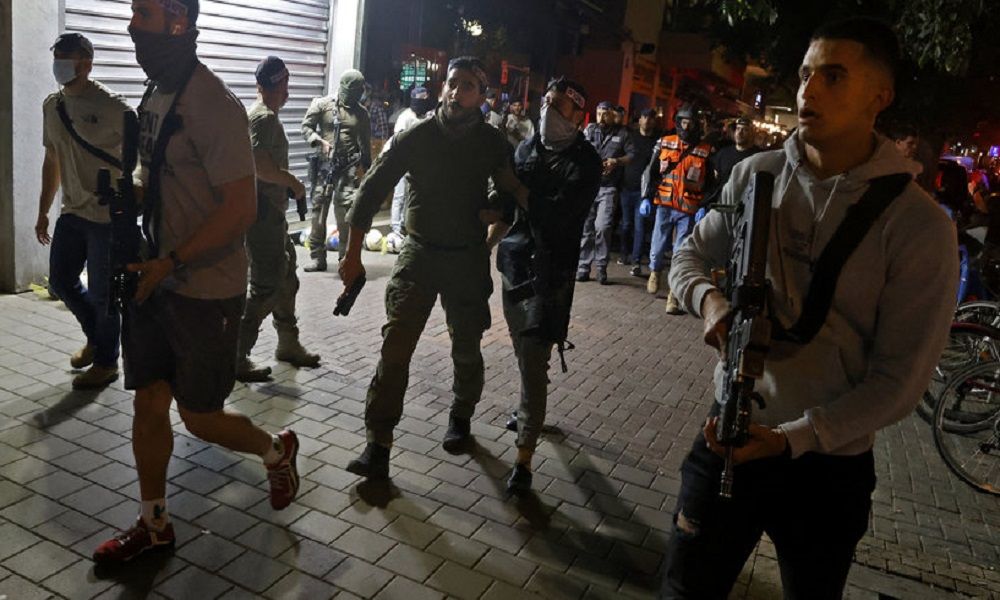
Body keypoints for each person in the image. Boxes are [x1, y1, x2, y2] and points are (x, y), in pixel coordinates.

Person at [662, 18, 958, 598]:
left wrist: (794, 438)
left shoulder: (918, 225)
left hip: (828, 465)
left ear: (880, 96)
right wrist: (710, 301)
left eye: (833, 76)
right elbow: (688, 255)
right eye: (804, 74)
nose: (808, 90)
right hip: (729, 431)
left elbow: (900, 381)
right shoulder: (756, 174)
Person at [93, 0, 299, 564]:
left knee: (200, 417)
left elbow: (241, 208)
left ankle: (275, 450)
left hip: (206, 288)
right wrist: (134, 197)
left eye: (144, 14)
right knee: (148, 401)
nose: (131, 25)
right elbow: (159, 171)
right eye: (133, 12)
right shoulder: (157, 92)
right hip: (154, 277)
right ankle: (154, 523)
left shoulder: (214, 105)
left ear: (178, 22)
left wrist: (174, 259)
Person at [338, 56, 530, 482]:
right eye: (452, 82)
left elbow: (511, 195)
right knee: (395, 347)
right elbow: (370, 190)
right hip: (419, 254)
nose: (456, 92)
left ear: (481, 96)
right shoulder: (418, 135)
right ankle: (377, 444)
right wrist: (352, 256)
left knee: (467, 345)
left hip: (465, 259)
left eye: (467, 86)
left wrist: (495, 213)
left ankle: (461, 416)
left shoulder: (492, 142)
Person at [491, 77, 601, 493]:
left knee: (534, 358)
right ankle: (529, 409)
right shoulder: (527, 148)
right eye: (546, 102)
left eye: (559, 106)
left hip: (549, 274)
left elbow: (557, 218)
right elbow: (508, 208)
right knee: (524, 353)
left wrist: (518, 188)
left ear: (577, 116)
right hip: (514, 266)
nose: (548, 111)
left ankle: (523, 459)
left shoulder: (585, 163)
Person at [37, 33, 131, 390]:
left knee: (104, 295)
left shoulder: (113, 106)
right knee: (60, 281)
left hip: (106, 217)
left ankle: (107, 362)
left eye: (67, 58)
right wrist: (43, 210)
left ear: (86, 64)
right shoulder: (52, 106)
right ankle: (96, 337)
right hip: (72, 212)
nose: (59, 64)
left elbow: (141, 158)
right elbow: (52, 159)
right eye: (57, 57)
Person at [235, 56, 320, 382]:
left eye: (285, 84)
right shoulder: (264, 118)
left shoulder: (261, 115)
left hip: (270, 213)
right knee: (266, 284)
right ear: (265, 87)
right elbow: (259, 164)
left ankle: (288, 343)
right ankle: (236, 354)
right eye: (281, 85)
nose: (286, 91)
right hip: (263, 214)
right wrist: (292, 182)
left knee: (286, 279)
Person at [640, 103, 714, 313]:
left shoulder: (705, 150)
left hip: (688, 209)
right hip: (664, 204)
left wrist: (704, 205)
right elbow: (651, 171)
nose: (687, 127)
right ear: (678, 122)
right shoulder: (665, 142)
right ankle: (655, 271)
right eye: (683, 122)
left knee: (680, 252)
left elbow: (710, 183)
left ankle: (673, 295)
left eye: (690, 123)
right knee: (657, 246)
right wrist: (646, 197)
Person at [301, 69, 372, 271]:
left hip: (347, 169)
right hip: (324, 168)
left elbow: (365, 144)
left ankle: (345, 259)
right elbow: (306, 127)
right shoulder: (322, 105)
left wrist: (368, 170)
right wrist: (319, 141)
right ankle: (317, 257)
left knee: (345, 215)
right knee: (318, 214)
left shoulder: (361, 113)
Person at [577, 100, 634, 284]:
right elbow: (579, 149)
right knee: (586, 229)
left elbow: (631, 155)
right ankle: (583, 267)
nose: (601, 117)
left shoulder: (622, 133)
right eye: (599, 113)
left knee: (603, 227)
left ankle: (601, 267)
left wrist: (616, 161)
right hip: (589, 186)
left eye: (605, 114)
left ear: (612, 114)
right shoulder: (590, 130)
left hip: (608, 188)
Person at [385, 86, 435, 251]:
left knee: (412, 196)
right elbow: (398, 141)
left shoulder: (427, 117)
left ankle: (406, 227)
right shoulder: (405, 117)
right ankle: (396, 229)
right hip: (403, 162)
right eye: (420, 99)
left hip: (420, 164)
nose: (423, 103)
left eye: (425, 99)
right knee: (400, 195)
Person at [621, 108, 659, 275]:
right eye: (645, 117)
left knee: (640, 226)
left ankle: (635, 262)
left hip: (643, 192)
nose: (647, 120)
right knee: (626, 224)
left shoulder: (656, 142)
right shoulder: (631, 137)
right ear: (640, 120)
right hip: (626, 187)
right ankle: (624, 253)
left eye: (651, 118)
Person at [703, 117, 760, 210]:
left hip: (743, 207)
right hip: (721, 205)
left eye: (745, 130)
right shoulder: (724, 153)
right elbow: (714, 179)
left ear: (752, 133)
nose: (740, 133)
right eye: (738, 129)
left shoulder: (757, 156)